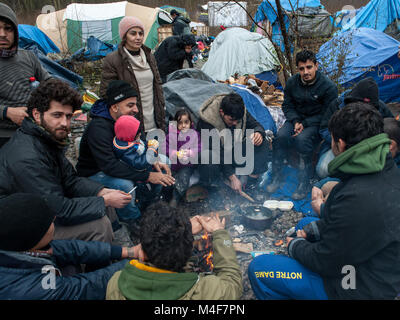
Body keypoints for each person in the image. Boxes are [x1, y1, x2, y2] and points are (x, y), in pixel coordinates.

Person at [249, 102, 400, 300]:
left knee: (260, 269)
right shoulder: (385, 170)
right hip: (370, 263)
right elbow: (351, 226)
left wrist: (295, 246)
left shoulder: (358, 196)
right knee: (305, 224)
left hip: (354, 286)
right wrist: (314, 231)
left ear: (341, 144)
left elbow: (328, 261)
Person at [0, 79, 131, 243]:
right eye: (57, 115)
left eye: (68, 116)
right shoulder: (28, 156)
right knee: (99, 225)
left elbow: (69, 180)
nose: (64, 123)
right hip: (16, 228)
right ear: (36, 115)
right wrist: (103, 200)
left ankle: (120, 248)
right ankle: (104, 263)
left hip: (43, 210)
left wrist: (101, 192)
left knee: (106, 202)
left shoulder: (45, 139)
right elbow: (57, 209)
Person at [0, 193, 145, 300]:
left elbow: (70, 249)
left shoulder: (20, 247)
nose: (54, 219)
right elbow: (84, 288)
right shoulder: (31, 289)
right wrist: (134, 266)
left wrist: (128, 252)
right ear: (32, 239)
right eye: (49, 222)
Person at [76, 80, 175, 223]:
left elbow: (142, 142)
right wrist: (147, 175)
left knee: (164, 161)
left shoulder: (129, 118)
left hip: (126, 160)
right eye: (130, 105)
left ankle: (151, 205)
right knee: (124, 186)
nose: (136, 109)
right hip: (96, 172)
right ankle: (132, 219)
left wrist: (153, 159)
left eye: (136, 105)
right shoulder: (98, 128)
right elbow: (110, 166)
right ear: (115, 107)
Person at [106, 202, 243, 300]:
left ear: (141, 252)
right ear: (188, 252)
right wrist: (220, 234)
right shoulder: (205, 291)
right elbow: (232, 282)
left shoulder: (116, 283)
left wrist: (181, 231)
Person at [266, 50, 338, 200]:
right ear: (297, 69)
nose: (306, 72)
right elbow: (287, 106)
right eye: (302, 69)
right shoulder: (292, 82)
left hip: (316, 123)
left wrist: (304, 124)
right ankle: (277, 177)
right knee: (280, 137)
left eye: (309, 67)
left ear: (316, 66)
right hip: (295, 120)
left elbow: (327, 114)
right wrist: (296, 121)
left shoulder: (328, 87)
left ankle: (304, 182)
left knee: (302, 140)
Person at [316, 77, 394, 179]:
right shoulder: (337, 104)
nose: (362, 110)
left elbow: (391, 128)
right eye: (359, 106)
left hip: (369, 148)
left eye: (367, 108)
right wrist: (339, 141)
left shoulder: (380, 107)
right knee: (323, 169)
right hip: (340, 146)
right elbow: (323, 129)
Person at [100, 16, 165, 134]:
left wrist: (162, 107)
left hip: (154, 120)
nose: (138, 37)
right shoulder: (114, 60)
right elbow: (106, 93)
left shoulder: (149, 56)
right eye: (133, 34)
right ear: (125, 36)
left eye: (141, 33)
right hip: (130, 122)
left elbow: (158, 84)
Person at [197, 92, 270, 194]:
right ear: (222, 112)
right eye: (231, 120)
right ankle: (214, 189)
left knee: (262, 142)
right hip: (217, 158)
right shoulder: (208, 121)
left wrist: (258, 133)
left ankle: (251, 184)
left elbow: (256, 125)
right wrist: (232, 178)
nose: (235, 123)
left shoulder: (239, 111)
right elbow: (218, 152)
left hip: (233, 151)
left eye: (237, 120)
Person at [0, 3, 51, 148]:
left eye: (8, 28)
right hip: (3, 134)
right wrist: (7, 112)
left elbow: (49, 81)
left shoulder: (28, 57)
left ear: (15, 32)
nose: (2, 34)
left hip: (31, 129)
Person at [166, 109, 201, 207]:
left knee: (183, 178)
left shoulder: (195, 135)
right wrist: (174, 153)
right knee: (168, 179)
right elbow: (166, 148)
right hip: (173, 165)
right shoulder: (171, 135)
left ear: (191, 123)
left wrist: (190, 152)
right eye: (180, 123)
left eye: (186, 122)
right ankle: (164, 196)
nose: (183, 125)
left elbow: (199, 147)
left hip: (187, 165)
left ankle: (175, 198)